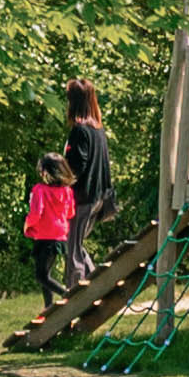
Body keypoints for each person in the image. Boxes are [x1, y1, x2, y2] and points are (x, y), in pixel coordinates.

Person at [61, 79, 116, 287]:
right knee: (77, 244)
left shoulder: (79, 131)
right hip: (100, 196)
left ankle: (74, 293)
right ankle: (97, 285)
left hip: (83, 197)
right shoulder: (98, 131)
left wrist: (60, 181)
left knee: (72, 248)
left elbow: (78, 165)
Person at [22, 151, 77, 309]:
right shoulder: (67, 191)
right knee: (46, 274)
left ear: (47, 172)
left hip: (45, 237)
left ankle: (67, 294)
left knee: (41, 276)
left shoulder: (39, 189)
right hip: (59, 237)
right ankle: (48, 307)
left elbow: (35, 214)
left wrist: (27, 224)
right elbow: (70, 213)